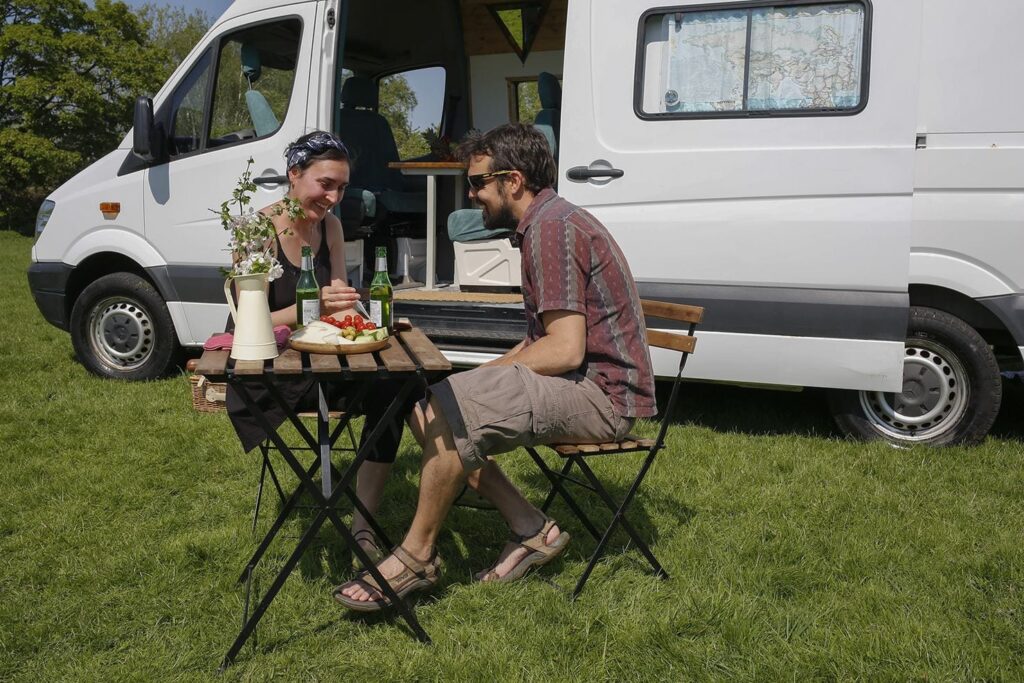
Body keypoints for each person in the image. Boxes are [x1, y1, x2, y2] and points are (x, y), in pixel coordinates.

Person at [334, 123, 656, 610]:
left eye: (480, 182)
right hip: (580, 382)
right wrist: (477, 378)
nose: (472, 193)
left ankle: (416, 556)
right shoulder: (544, 224)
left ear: (514, 181)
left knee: (447, 407)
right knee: (428, 407)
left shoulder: (552, 228)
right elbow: (540, 342)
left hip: (601, 397)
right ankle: (531, 527)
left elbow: (565, 350)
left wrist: (474, 384)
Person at [225, 130, 416, 562]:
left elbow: (338, 302)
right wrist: (310, 306)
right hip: (270, 371)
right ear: (294, 174)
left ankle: (363, 525)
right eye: (325, 184)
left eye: (342, 187)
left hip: (325, 361)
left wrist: (355, 311)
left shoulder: (329, 225)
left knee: (399, 386)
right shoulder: (256, 229)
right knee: (397, 389)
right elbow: (246, 324)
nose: (334, 197)